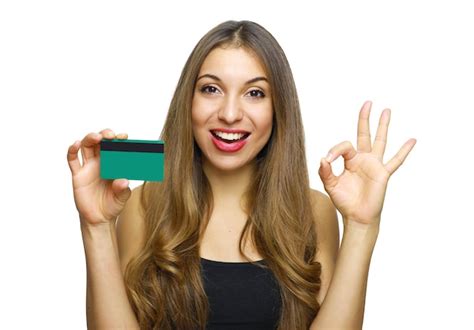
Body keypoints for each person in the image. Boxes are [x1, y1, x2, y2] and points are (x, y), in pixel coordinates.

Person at [67, 20, 416, 330]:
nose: (230, 113)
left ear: (278, 110)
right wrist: (96, 227)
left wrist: (362, 226)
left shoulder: (313, 210)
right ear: (187, 103)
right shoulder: (144, 202)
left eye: (254, 93)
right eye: (211, 89)